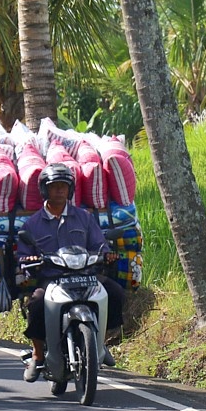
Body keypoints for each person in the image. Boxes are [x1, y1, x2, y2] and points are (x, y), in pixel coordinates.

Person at [17, 163, 125, 382]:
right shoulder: (33, 224)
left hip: (86, 275)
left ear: (71, 189)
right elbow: (23, 253)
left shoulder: (84, 217)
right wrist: (28, 260)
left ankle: (99, 341)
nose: (60, 191)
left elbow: (99, 243)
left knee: (115, 293)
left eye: (64, 186)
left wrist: (107, 254)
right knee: (36, 303)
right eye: (55, 186)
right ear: (45, 190)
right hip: (52, 279)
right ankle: (37, 354)